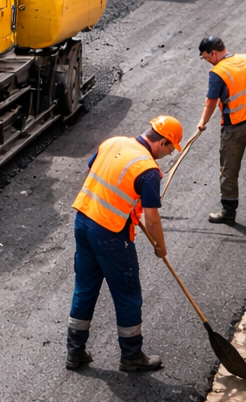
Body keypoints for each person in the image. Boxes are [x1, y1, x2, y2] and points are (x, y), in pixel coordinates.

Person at [66, 116, 183, 373]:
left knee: (85, 288)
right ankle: (131, 356)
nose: (168, 154)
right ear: (162, 141)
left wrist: (123, 204)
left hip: (83, 222)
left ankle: (74, 352)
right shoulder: (148, 170)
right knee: (128, 294)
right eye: (170, 148)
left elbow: (95, 172)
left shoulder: (113, 142)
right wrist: (159, 246)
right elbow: (151, 218)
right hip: (110, 234)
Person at [196, 37, 246, 229]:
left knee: (229, 171)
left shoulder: (218, 72)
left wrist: (202, 122)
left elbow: (211, 102)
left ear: (213, 52)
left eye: (206, 57)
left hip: (236, 126)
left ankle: (228, 213)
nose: (206, 60)